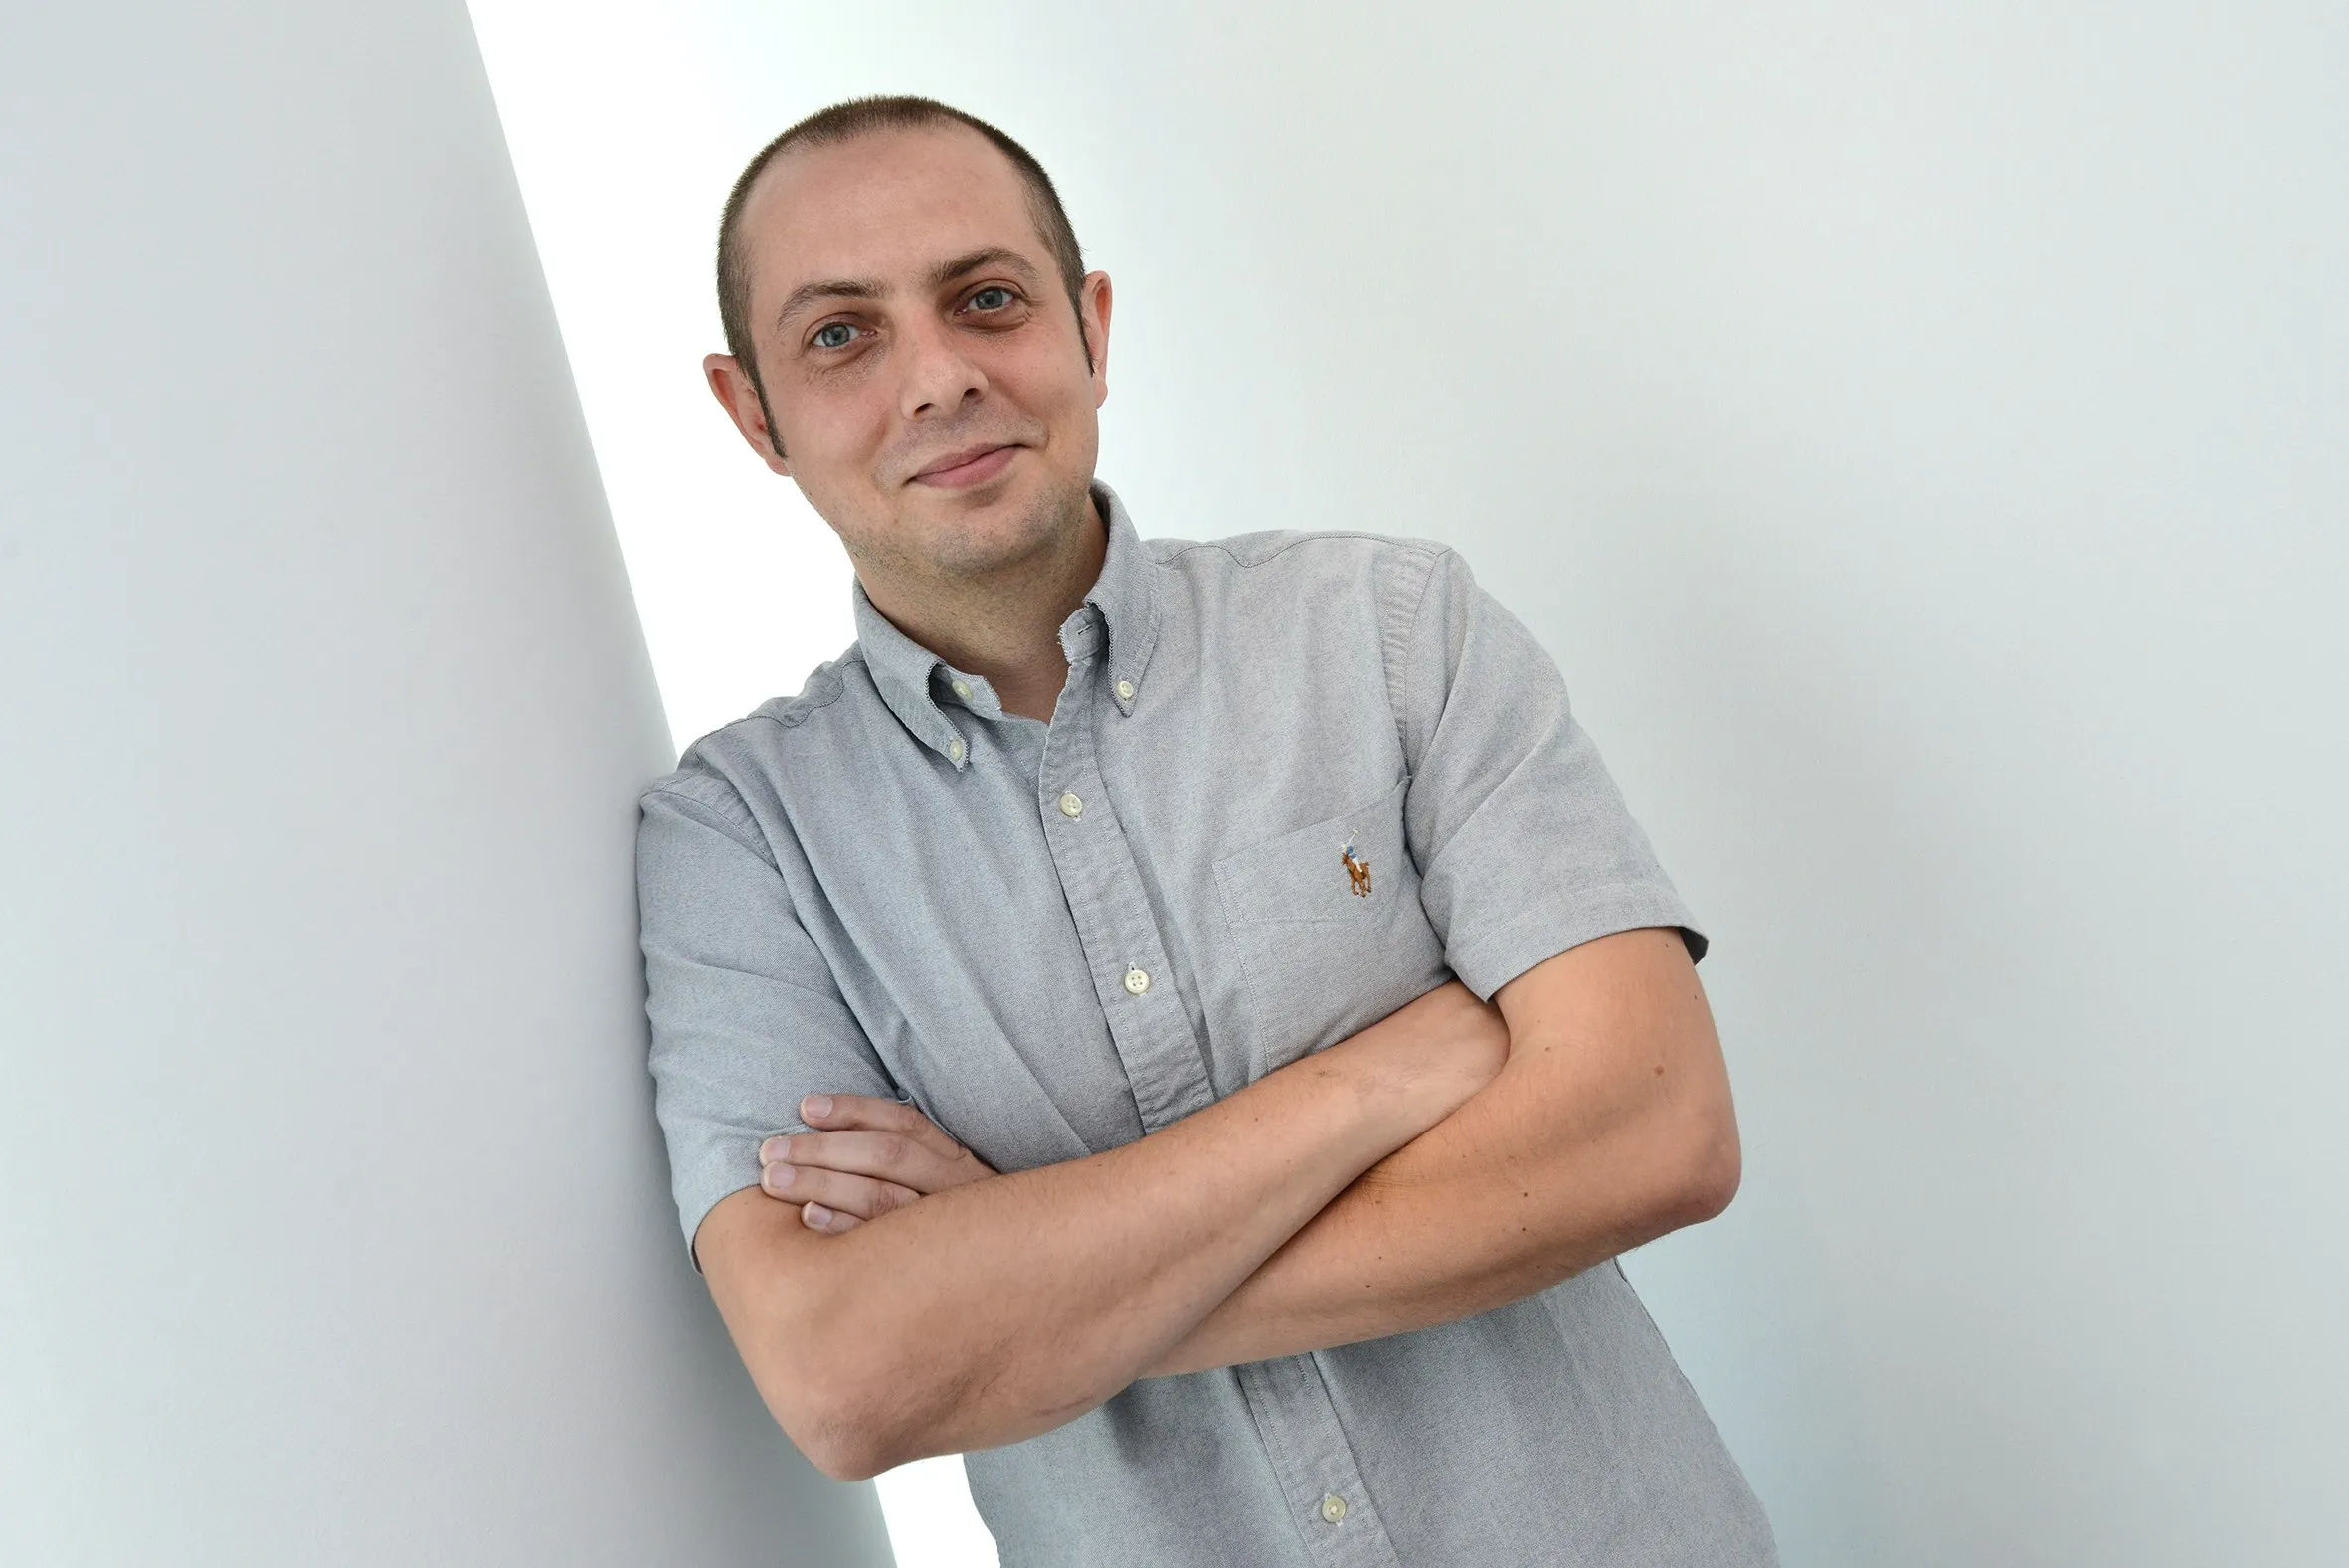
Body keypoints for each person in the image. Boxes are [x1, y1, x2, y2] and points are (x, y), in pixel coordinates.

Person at [636, 94, 1776, 1566]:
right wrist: (1379, 1078)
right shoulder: (739, 846)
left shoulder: (1390, 635)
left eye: (986, 300)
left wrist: (1023, 1289)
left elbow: (1655, 1133)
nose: (936, 379)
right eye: (840, 336)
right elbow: (850, 1380)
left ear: (1089, 326)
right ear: (754, 417)